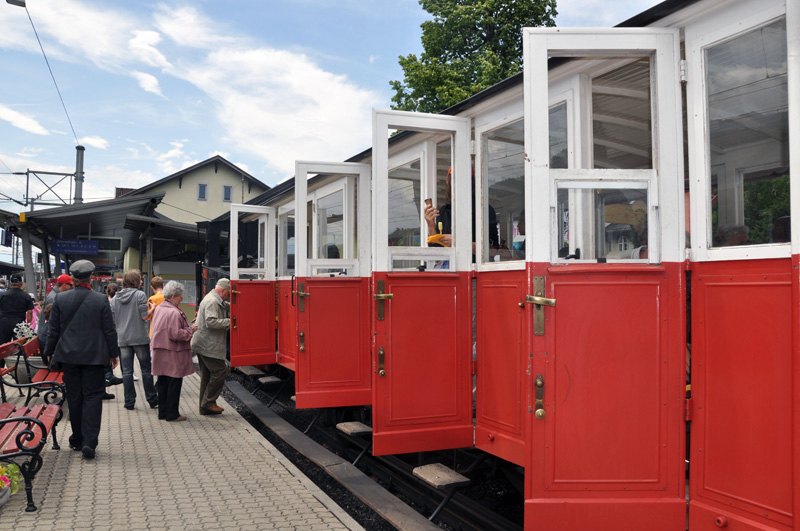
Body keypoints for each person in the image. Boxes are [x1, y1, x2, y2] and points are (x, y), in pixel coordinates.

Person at [43, 260, 120, 459]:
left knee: (75, 397)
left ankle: (77, 439)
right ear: (91, 277)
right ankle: (90, 442)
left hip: (68, 357)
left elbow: (54, 331)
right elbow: (109, 330)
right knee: (93, 397)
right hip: (94, 358)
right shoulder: (100, 300)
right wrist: (113, 354)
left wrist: (49, 353)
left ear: (73, 279)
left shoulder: (60, 300)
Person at [423, 166, 499, 259]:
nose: (458, 184)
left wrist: (459, 243)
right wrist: (431, 225)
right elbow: (435, 253)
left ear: (472, 183)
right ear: (449, 182)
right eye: (454, 179)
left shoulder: (483, 210)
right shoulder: (443, 212)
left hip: (475, 269)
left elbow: (493, 250)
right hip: (450, 270)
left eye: (464, 179)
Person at [110, 270, 158, 410]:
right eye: (140, 279)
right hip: (139, 338)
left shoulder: (115, 298)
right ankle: (152, 399)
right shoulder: (140, 295)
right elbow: (144, 316)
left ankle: (129, 402)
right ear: (135, 281)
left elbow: (113, 319)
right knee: (146, 370)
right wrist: (152, 309)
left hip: (123, 339)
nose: (142, 281)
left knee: (126, 372)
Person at [151, 281, 197, 422]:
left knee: (163, 382)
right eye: (180, 296)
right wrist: (192, 329)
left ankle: (162, 413)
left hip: (160, 351)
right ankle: (172, 414)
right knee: (174, 383)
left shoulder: (159, 308)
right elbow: (177, 335)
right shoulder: (174, 312)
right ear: (173, 296)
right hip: (173, 352)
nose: (182, 298)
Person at [192, 278, 231, 416]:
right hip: (207, 345)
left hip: (203, 344)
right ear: (223, 290)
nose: (228, 296)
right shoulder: (212, 301)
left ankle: (204, 408)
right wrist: (231, 321)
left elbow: (224, 305)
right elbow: (211, 322)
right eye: (228, 293)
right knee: (221, 371)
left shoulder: (214, 299)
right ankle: (209, 402)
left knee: (207, 377)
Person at [0, 273, 34, 345]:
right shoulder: (26, 296)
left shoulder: (3, 295)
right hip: (19, 323)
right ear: (21, 284)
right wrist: (28, 324)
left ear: (10, 283)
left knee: (3, 345)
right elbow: (29, 312)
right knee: (18, 346)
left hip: (5, 322)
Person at [37, 274, 72, 340]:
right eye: (70, 285)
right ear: (64, 285)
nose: (71, 287)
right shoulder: (53, 298)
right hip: (48, 336)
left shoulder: (55, 295)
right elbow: (53, 321)